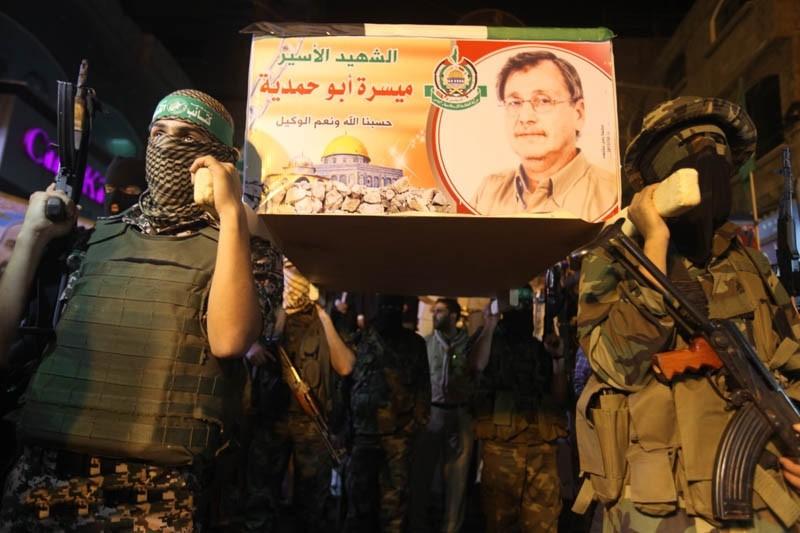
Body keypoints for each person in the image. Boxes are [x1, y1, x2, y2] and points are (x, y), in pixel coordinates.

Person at [0, 89, 262, 531]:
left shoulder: (241, 250)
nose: (168, 144)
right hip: (42, 479)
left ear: (221, 160)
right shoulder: (92, 240)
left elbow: (230, 339)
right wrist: (31, 237)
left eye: (188, 136)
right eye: (159, 132)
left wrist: (231, 213)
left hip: (156, 495)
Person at [574, 96, 800, 531]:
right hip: (660, 511)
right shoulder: (615, 257)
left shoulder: (748, 262)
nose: (710, 164)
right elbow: (618, 365)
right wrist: (655, 242)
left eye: (719, 152)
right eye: (692, 153)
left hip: (762, 502)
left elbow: (792, 359)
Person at [471, 50, 617, 221]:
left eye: (543, 100)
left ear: (578, 113)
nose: (525, 118)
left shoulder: (611, 195)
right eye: (514, 102)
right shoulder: (488, 192)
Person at [470, 293, 568, 532]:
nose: (523, 311)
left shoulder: (541, 347)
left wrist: (558, 360)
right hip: (503, 449)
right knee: (499, 521)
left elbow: (559, 398)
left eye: (527, 305)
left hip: (541, 450)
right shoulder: (489, 341)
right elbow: (476, 366)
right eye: (517, 305)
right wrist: (490, 325)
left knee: (543, 523)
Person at [273, 259, 355, 532]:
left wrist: (324, 317)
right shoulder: (270, 313)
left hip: (311, 425)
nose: (293, 280)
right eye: (288, 270)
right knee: (262, 498)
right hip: (272, 419)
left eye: (298, 272)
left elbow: (345, 366)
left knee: (310, 506)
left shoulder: (326, 319)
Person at [344, 294, 430, 533]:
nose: (389, 311)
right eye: (385, 306)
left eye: (394, 306)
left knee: (394, 502)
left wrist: (416, 425)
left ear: (402, 309)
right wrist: (344, 426)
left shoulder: (414, 344)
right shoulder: (360, 340)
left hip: (398, 435)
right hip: (363, 433)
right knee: (359, 499)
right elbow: (345, 384)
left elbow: (423, 387)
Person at [409, 298, 475, 533]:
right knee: (422, 474)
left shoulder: (468, 345)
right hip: (434, 410)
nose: (435, 315)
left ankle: (451, 527)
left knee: (458, 479)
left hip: (460, 411)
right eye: (434, 311)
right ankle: (418, 525)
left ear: (453, 316)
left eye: (440, 311)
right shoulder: (427, 343)